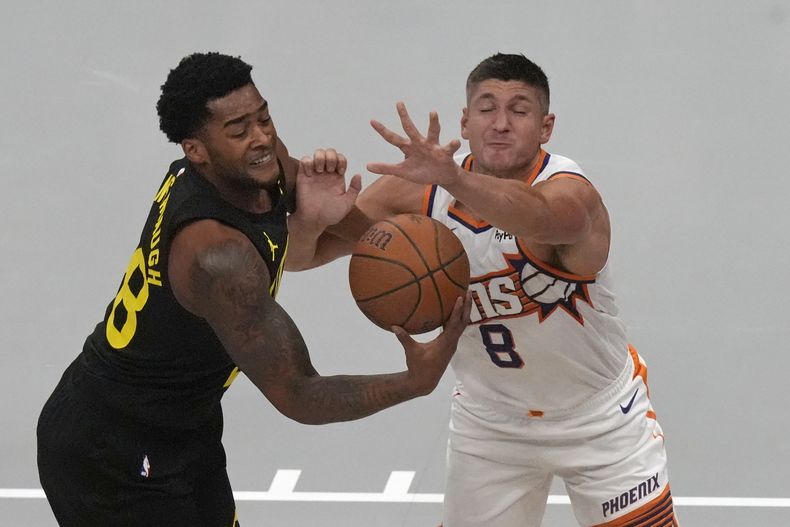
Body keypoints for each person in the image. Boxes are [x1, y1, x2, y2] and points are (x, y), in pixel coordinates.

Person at [36, 51, 470, 527]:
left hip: (183, 430)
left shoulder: (253, 166)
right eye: (239, 130)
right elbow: (299, 393)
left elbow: (309, 239)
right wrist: (413, 382)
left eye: (263, 117)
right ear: (195, 149)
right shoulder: (217, 258)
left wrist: (372, 240)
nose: (261, 138)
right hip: (112, 458)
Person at [290, 53, 678, 526]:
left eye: (519, 110)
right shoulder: (414, 197)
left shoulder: (572, 194)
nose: (500, 123)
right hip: (491, 425)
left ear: (546, 126)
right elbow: (300, 257)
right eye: (487, 107)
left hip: (599, 420)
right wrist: (312, 218)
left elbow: (535, 215)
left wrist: (455, 178)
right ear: (465, 121)